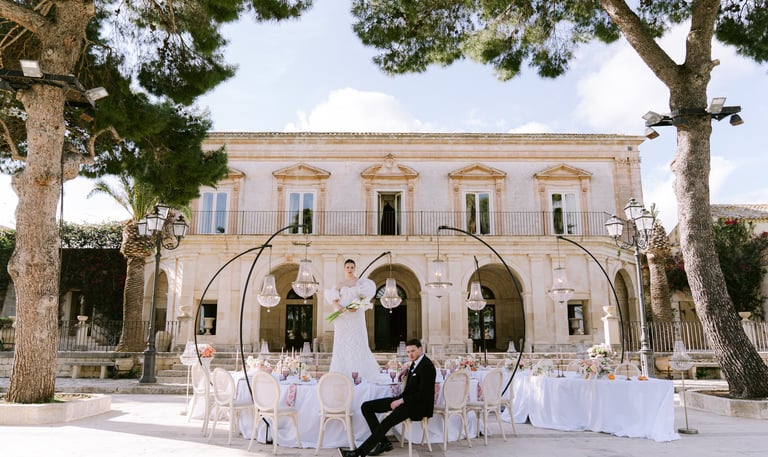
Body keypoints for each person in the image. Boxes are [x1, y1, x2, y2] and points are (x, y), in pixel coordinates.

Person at [338, 339, 436, 457]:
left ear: (421, 349)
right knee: (367, 407)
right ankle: (384, 443)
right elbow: (414, 374)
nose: (410, 354)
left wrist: (400, 401)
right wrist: (408, 370)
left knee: (387, 421)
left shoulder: (427, 366)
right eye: (408, 352)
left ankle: (358, 453)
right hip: (406, 401)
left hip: (417, 406)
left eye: (413, 351)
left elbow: (423, 394)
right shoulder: (415, 363)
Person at [325, 259, 382, 382]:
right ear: (344, 268)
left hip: (356, 314)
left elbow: (364, 298)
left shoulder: (360, 283)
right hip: (342, 316)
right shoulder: (339, 283)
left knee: (358, 340)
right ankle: (341, 373)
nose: (350, 269)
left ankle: (360, 372)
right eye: (348, 267)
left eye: (352, 267)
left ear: (355, 268)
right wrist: (339, 308)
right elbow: (333, 299)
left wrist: (355, 306)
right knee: (342, 342)